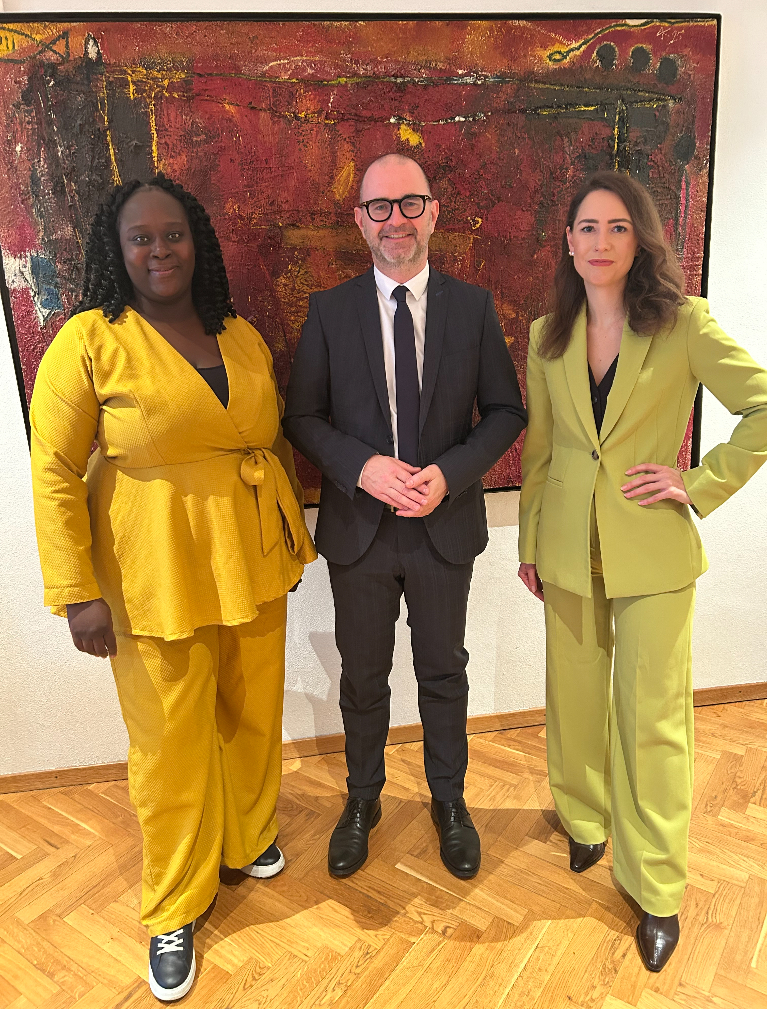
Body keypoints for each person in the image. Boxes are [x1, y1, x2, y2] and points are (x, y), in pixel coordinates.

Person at [29, 173, 316, 1002]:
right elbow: (53, 469)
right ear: (115, 252)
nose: (160, 250)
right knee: (170, 744)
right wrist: (76, 589)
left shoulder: (239, 333)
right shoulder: (90, 339)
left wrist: (290, 534)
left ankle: (246, 839)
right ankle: (173, 906)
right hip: (152, 569)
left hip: (250, 556)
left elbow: (268, 439)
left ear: (198, 243)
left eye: (173, 234)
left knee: (252, 712)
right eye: (141, 237)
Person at [517, 169, 767, 972]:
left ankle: (656, 884)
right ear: (567, 242)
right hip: (566, 547)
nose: (601, 242)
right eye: (587, 227)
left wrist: (696, 482)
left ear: (640, 240)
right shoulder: (546, 335)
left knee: (652, 718)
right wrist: (528, 543)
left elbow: (761, 406)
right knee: (573, 698)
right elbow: (542, 450)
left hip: (653, 552)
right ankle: (585, 820)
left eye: (617, 227)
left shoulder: (683, 324)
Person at [283, 153, 526, 881]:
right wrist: (361, 466)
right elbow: (302, 417)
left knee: (443, 671)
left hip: (442, 531)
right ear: (360, 220)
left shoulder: (472, 308)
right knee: (363, 677)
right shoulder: (328, 311)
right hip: (359, 534)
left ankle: (449, 801)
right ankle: (362, 800)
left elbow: (505, 410)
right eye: (380, 207)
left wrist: (449, 474)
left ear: (433, 212)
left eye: (410, 203)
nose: (397, 220)